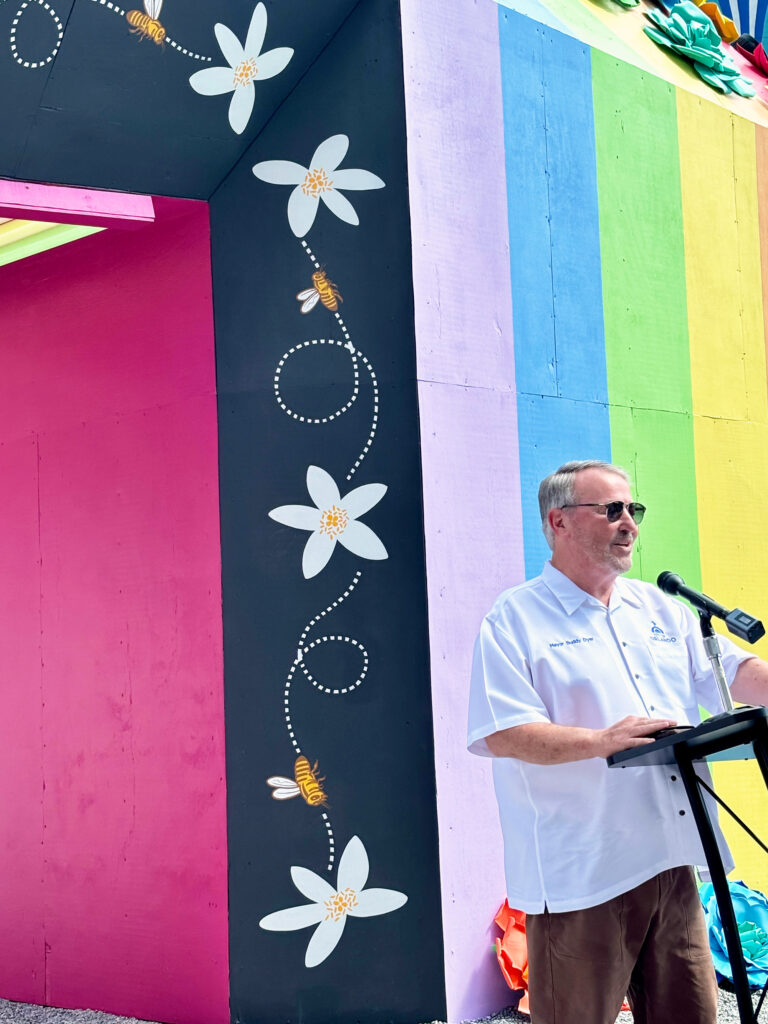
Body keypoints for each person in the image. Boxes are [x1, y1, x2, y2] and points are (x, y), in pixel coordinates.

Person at [467, 460, 768, 1024]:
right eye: (611, 510)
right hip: (582, 872)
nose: (629, 522)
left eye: (634, 510)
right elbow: (504, 731)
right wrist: (602, 740)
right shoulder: (515, 619)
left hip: (672, 862)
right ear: (558, 522)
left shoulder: (659, 609)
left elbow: (731, 671)